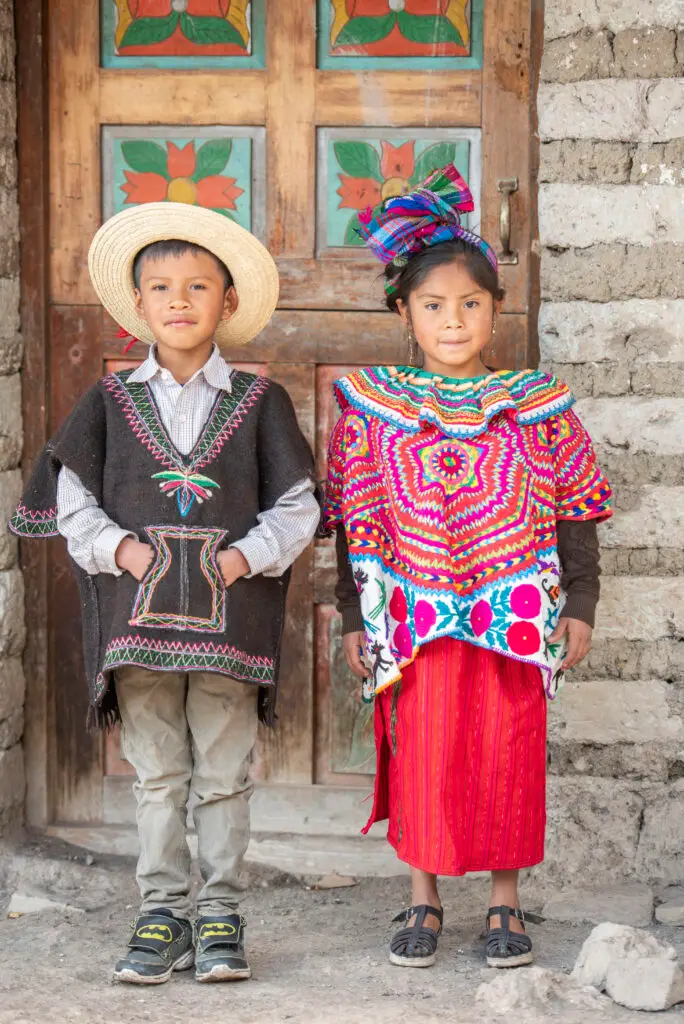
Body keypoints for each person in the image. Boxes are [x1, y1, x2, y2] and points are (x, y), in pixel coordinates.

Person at [10, 202, 319, 984]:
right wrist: (123, 548)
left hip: (231, 622)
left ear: (229, 301)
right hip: (136, 619)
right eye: (161, 287)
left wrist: (242, 562)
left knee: (221, 771)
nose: (179, 301)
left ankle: (218, 912)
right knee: (156, 772)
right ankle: (160, 915)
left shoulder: (260, 404)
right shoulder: (108, 404)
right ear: (138, 304)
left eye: (197, 286)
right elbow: (70, 501)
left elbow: (298, 507)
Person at [322, 165, 612, 969]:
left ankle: (503, 902)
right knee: (423, 750)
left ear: (495, 309)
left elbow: (575, 509)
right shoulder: (372, 409)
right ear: (405, 313)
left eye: (471, 304)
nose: (454, 321)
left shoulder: (539, 405)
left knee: (507, 752)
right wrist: (353, 613)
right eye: (434, 306)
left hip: (516, 615)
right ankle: (422, 899)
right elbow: (351, 520)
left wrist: (578, 604)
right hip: (406, 616)